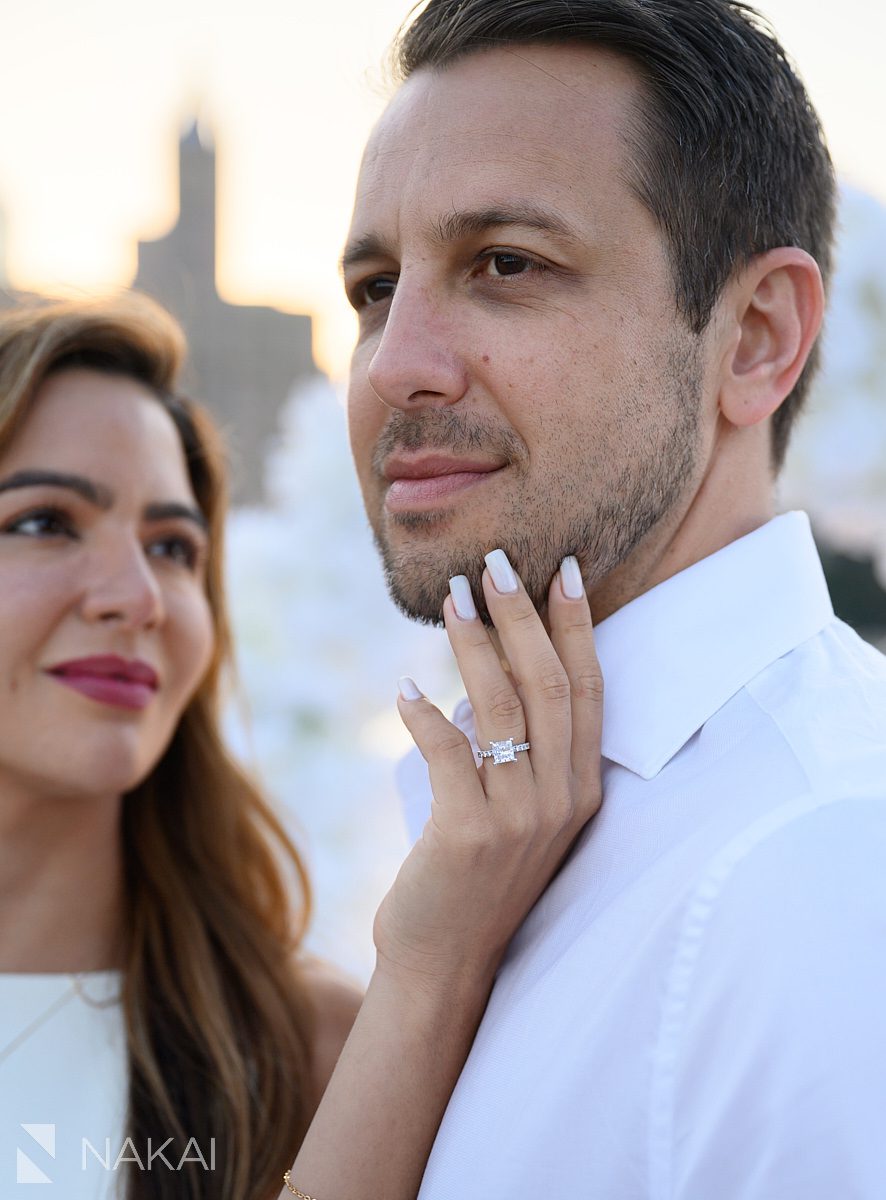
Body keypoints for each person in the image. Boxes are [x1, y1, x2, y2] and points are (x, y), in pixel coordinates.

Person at [337, 0, 886, 1195]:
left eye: (507, 265)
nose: (395, 365)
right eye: (376, 287)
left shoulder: (826, 875)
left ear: (753, 338)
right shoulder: (489, 832)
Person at [0, 294, 602, 1200]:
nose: (139, 596)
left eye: (173, 546)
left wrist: (432, 968)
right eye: (45, 522)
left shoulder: (315, 1052)